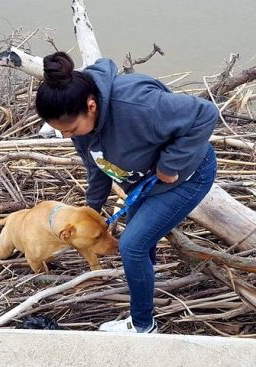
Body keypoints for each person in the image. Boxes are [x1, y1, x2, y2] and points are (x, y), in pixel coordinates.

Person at [35, 51, 219, 333]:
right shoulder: (82, 129)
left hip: (184, 178)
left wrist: (171, 165)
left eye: (70, 129)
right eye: (61, 131)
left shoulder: (138, 105)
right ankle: (146, 288)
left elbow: (205, 114)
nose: (67, 136)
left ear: (92, 105)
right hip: (142, 181)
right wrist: (91, 209)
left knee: (131, 246)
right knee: (140, 243)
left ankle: (143, 326)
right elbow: (96, 164)